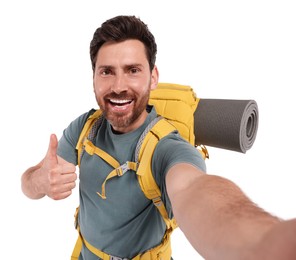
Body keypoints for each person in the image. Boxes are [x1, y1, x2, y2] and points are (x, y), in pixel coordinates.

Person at [21, 15, 296, 260]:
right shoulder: (85, 128)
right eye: (107, 71)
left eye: (133, 70)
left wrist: (264, 243)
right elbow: (28, 187)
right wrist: (39, 180)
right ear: (93, 78)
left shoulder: (167, 148)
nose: (118, 87)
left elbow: (193, 190)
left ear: (153, 77)